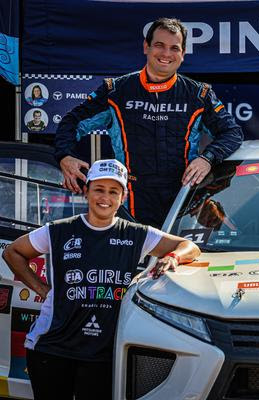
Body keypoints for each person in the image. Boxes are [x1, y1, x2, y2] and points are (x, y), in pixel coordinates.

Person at [1, 159, 201, 399]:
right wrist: (42, 289)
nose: (105, 197)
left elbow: (189, 246)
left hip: (104, 353)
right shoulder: (58, 230)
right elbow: (13, 252)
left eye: (113, 191)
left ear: (122, 197)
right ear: (86, 192)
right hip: (52, 347)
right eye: (98, 189)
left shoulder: (136, 234)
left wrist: (173, 258)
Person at [54, 17, 243, 228]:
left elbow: (232, 133)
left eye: (174, 48)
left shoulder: (199, 95)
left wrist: (207, 158)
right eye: (159, 46)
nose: (166, 54)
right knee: (136, 258)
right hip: (131, 198)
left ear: (183, 53)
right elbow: (72, 121)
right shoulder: (116, 91)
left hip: (183, 197)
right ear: (146, 47)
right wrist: (65, 155)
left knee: (179, 257)